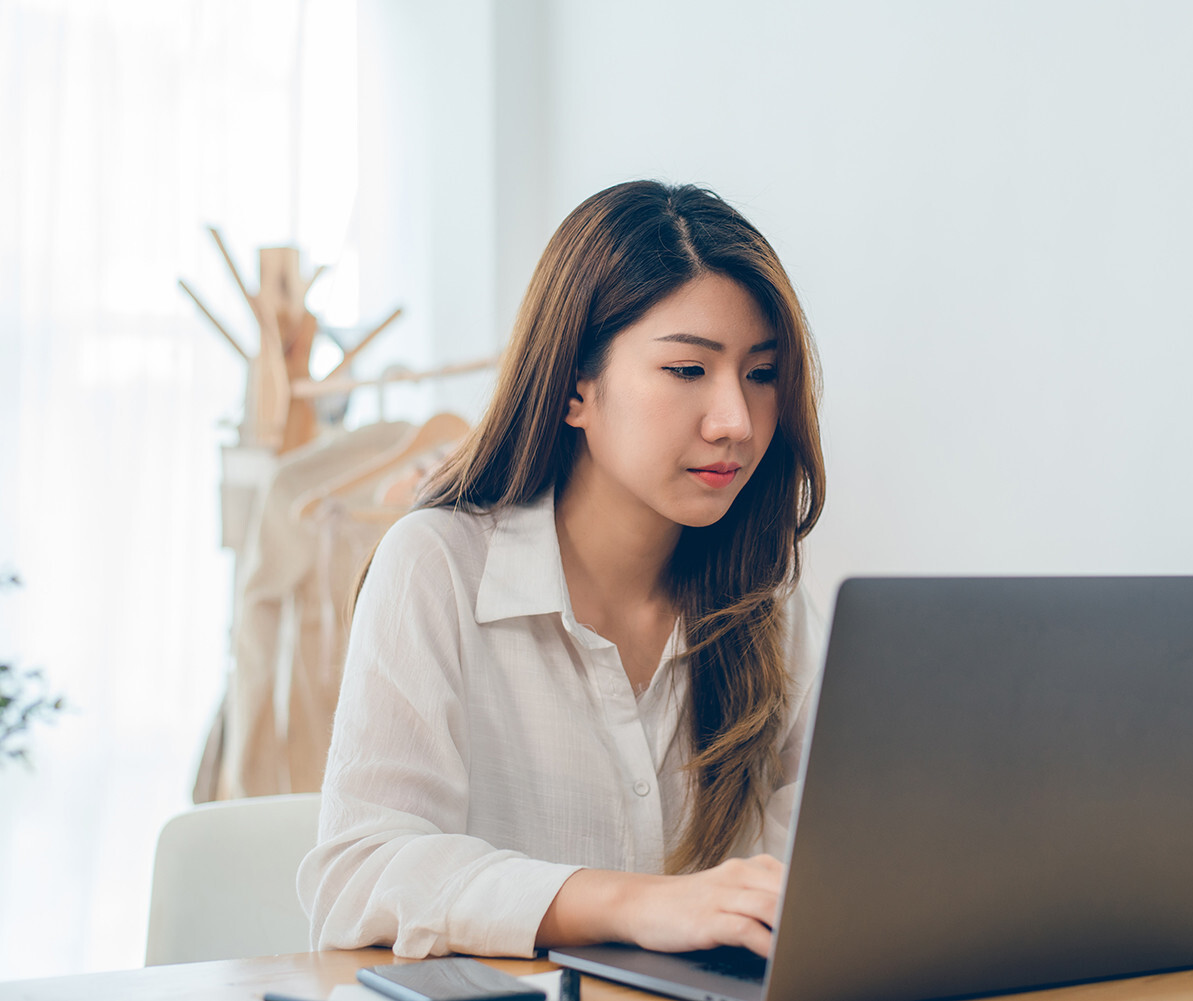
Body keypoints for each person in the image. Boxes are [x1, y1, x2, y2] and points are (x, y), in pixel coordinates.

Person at [296, 180, 826, 962]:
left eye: (760, 373)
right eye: (687, 370)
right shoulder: (437, 566)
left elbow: (808, 880)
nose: (736, 422)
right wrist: (634, 903)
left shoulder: (770, 603)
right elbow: (363, 871)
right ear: (577, 385)